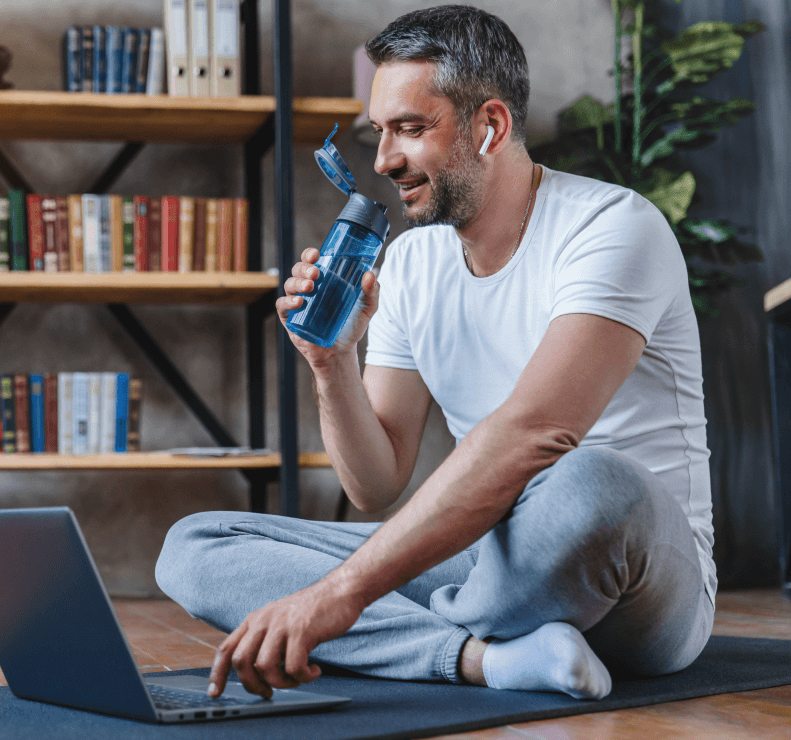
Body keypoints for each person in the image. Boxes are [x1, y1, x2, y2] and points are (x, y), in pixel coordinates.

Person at [155, 4, 715, 702]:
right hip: (482, 561)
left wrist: (341, 597)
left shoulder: (613, 227)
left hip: (638, 579)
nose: (385, 158)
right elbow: (376, 482)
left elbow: (535, 434)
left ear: (491, 127)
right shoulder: (413, 262)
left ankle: (412, 636)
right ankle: (488, 659)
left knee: (590, 483)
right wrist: (333, 365)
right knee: (197, 545)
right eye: (379, 132)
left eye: (411, 130)